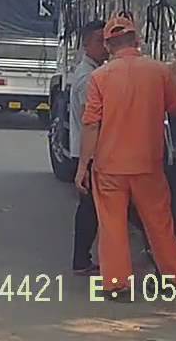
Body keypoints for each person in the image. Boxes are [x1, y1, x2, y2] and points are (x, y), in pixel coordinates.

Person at [76, 13, 176, 296]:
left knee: (112, 226)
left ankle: (117, 285)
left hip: (109, 167)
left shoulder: (99, 77)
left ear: (108, 45)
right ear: (137, 40)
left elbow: (91, 124)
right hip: (148, 165)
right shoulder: (159, 72)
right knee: (159, 224)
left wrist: (82, 167)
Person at [69, 20, 109, 275]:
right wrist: (86, 162)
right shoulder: (88, 78)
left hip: (88, 151)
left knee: (90, 209)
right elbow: (90, 119)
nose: (104, 46)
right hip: (89, 151)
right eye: (98, 41)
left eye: (106, 40)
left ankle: (81, 259)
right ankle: (81, 260)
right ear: (86, 45)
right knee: (89, 210)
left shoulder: (94, 72)